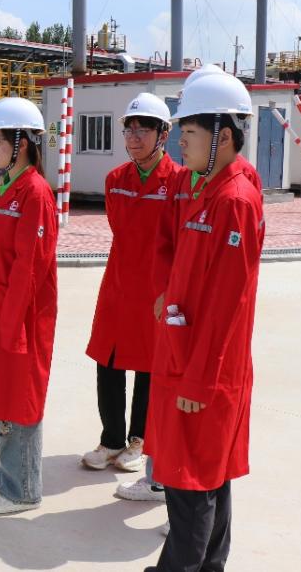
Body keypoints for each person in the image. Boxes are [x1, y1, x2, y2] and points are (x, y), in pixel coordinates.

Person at [144, 71, 265, 571]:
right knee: (208, 476)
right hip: (187, 354)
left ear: (224, 136)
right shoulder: (206, 189)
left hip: (203, 367)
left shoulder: (233, 201)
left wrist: (199, 378)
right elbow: (189, 267)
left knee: (189, 481)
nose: (180, 142)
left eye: (189, 133)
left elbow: (226, 305)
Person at [81, 93, 184, 505]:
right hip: (119, 284)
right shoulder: (115, 180)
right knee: (108, 360)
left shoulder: (178, 182)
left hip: (156, 289)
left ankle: (139, 439)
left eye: (144, 129)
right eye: (129, 129)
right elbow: (119, 229)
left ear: (164, 134)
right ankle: (111, 439)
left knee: (149, 367)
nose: (135, 137)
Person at [0, 97, 58, 514]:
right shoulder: (8, 189)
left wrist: (11, 326)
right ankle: (8, 472)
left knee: (19, 400)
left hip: (19, 320)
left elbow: (29, 268)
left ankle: (24, 489)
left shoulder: (35, 193)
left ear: (22, 143)